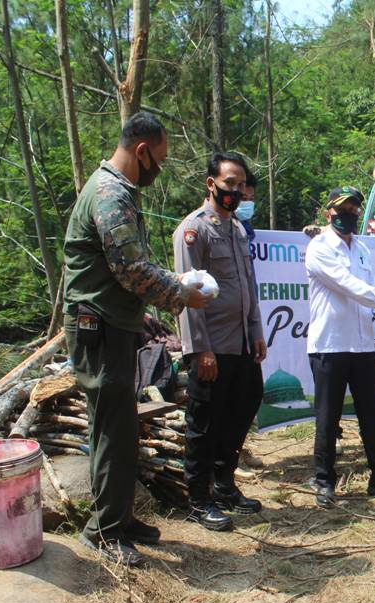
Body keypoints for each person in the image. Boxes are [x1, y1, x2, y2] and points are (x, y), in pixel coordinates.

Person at [63, 112, 209, 566]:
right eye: (159, 161)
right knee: (111, 427)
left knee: (120, 425)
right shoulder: (109, 194)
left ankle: (119, 519)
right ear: (142, 151)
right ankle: (103, 532)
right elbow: (129, 270)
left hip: (112, 325)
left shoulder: (117, 192)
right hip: (99, 326)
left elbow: (128, 263)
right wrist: (180, 294)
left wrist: (173, 282)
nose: (158, 170)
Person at [305, 186, 375, 507]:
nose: (349, 214)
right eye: (342, 209)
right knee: (328, 417)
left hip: (362, 344)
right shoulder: (319, 248)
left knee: (372, 414)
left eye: (354, 209)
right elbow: (347, 285)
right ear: (328, 213)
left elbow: (370, 289)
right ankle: (324, 481)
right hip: (330, 344)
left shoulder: (362, 248)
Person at [174, 152, 266, 531]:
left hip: (242, 343)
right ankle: (197, 500)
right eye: (230, 183)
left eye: (241, 184)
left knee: (242, 411)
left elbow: (248, 287)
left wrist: (257, 331)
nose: (237, 191)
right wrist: (201, 349)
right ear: (211, 184)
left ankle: (225, 485)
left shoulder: (238, 228)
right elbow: (186, 292)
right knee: (204, 425)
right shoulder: (193, 231)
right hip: (213, 347)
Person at [235, 171, 257, 242]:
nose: (248, 203)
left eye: (251, 199)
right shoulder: (217, 227)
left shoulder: (248, 229)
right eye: (244, 198)